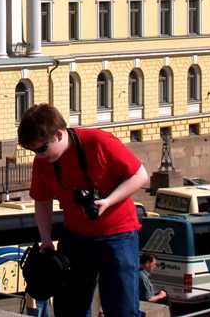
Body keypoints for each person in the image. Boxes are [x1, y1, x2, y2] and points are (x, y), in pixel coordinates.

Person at [18, 104, 149, 317]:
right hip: (76, 237)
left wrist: (108, 201)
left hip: (118, 235)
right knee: (69, 308)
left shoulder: (99, 142)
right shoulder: (43, 162)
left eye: (42, 149)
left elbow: (140, 175)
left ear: (58, 134)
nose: (39, 156)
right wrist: (46, 240)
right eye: (33, 151)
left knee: (122, 309)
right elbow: (42, 201)